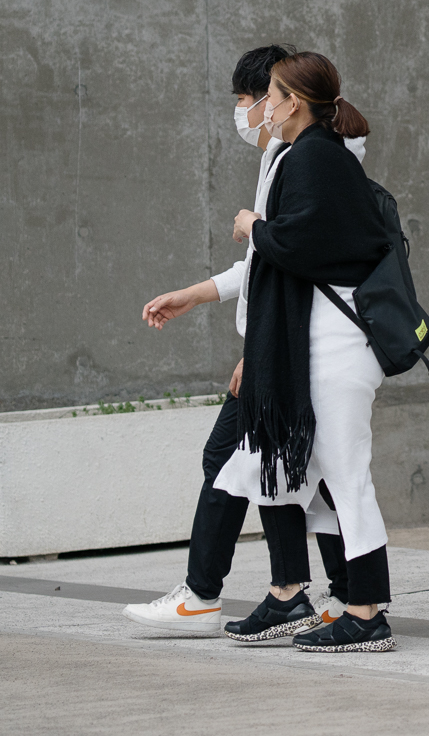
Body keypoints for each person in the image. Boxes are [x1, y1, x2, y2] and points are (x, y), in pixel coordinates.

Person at [123, 44, 363, 634]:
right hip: (286, 341)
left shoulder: (302, 159)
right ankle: (335, 595)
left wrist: (259, 349)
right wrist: (196, 294)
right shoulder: (292, 156)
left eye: (249, 99)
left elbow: (290, 260)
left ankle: (226, 595)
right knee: (299, 468)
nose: (244, 112)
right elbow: (264, 264)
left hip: (295, 344)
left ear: (284, 100)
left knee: (259, 461)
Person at [210, 51, 398, 652]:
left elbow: (303, 244)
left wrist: (252, 226)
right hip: (312, 346)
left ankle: (366, 614)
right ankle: (290, 594)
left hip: (336, 348)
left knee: (346, 478)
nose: (262, 106)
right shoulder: (304, 153)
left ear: (292, 102)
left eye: (269, 94)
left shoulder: (317, 155)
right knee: (274, 466)